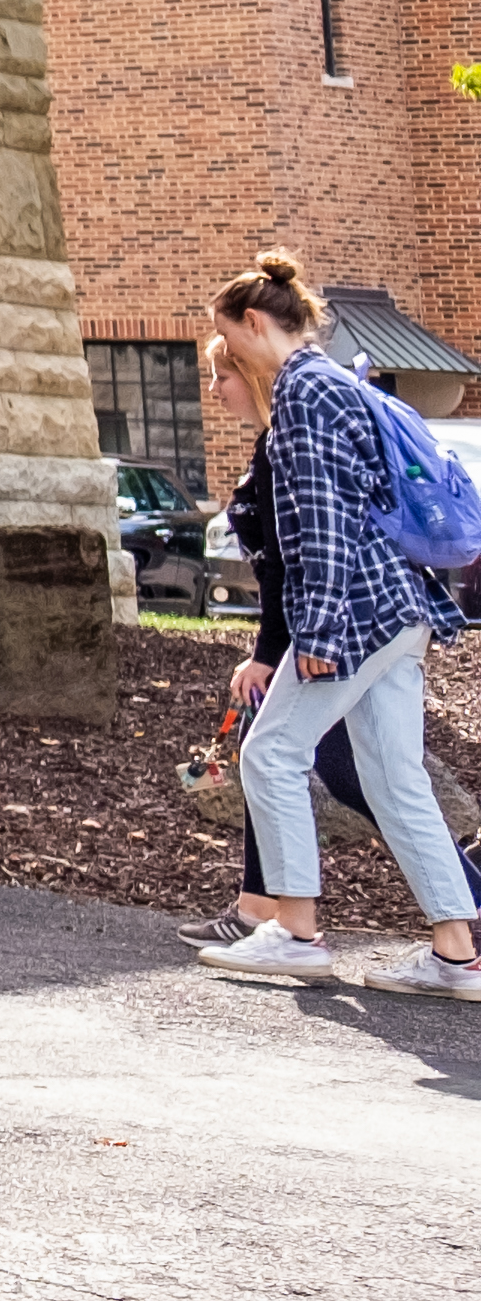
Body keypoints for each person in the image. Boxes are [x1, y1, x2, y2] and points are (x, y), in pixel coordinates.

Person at [192, 258, 479, 996]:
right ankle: (456, 953)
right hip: (402, 608)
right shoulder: (340, 381)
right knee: (395, 778)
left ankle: (293, 930)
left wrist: (315, 634)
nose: (230, 356)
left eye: (228, 337)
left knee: (271, 752)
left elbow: (319, 528)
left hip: (354, 613)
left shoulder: (304, 396)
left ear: (254, 324)